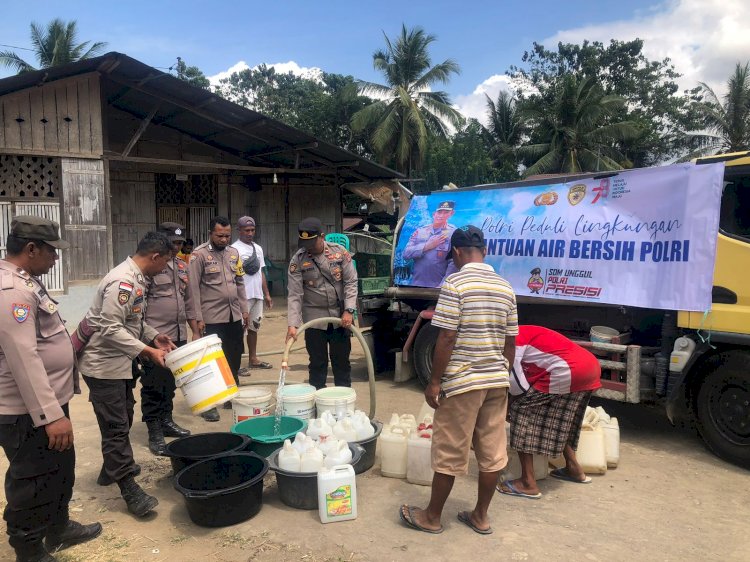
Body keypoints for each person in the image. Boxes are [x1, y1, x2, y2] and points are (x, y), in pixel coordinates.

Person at [399, 225, 517, 535]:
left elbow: (447, 336)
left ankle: (432, 517)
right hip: (496, 380)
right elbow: (511, 341)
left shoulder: (455, 283)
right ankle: (480, 516)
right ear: (486, 251)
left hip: (464, 381)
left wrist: (435, 381)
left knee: (450, 450)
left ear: (455, 252)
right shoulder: (506, 287)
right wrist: (503, 374)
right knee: (492, 451)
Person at [0, 216, 102, 562]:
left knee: (60, 470)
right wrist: (49, 416)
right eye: (51, 252)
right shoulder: (12, 290)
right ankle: (29, 550)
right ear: (30, 249)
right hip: (27, 412)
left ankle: (58, 528)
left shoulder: (27, 281)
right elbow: (24, 359)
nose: (55, 259)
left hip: (49, 406)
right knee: (32, 481)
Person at [78, 232, 175, 518]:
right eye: (165, 262)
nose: (165, 269)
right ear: (155, 257)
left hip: (120, 363)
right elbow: (109, 328)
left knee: (123, 416)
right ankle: (129, 488)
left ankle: (111, 469)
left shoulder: (138, 279)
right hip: (103, 365)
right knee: (116, 426)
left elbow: (132, 321)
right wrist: (147, 351)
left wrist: (154, 336)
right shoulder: (123, 281)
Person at [499, 325, 602, 499]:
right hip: (589, 366)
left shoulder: (510, 341)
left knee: (520, 410)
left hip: (569, 370)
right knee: (562, 417)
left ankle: (527, 482)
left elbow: (516, 383)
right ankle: (574, 468)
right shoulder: (523, 331)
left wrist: (507, 407)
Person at [139, 223, 197, 456]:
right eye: (172, 243)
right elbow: (139, 306)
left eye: (180, 243)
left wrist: (195, 327)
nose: (176, 247)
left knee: (170, 383)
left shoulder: (183, 266)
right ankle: (154, 430)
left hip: (177, 334)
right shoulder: (150, 267)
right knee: (153, 384)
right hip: (155, 336)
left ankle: (167, 420)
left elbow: (190, 300)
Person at [188, 216, 248, 422]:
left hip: (233, 315)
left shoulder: (234, 253)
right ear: (210, 234)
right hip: (211, 317)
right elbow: (193, 289)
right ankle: (210, 404)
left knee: (234, 355)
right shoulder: (199, 255)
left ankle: (231, 394)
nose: (224, 239)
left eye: (227, 236)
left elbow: (239, 282)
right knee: (211, 362)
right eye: (220, 235)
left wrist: (245, 310)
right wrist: (197, 319)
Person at [286, 217, 358, 389]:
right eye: (304, 242)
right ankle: (318, 408)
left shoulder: (339, 253)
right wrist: (293, 324)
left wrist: (349, 310)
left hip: (340, 317)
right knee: (317, 364)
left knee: (341, 364)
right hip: (314, 320)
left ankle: (343, 406)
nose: (308, 246)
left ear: (322, 236)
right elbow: (295, 294)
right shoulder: (298, 260)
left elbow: (351, 282)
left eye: (312, 241)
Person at [231, 216, 273, 371]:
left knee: (254, 327)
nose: (250, 233)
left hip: (257, 296)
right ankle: (235, 363)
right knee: (240, 330)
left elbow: (261, 272)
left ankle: (253, 359)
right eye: (246, 230)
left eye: (252, 230)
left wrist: (266, 294)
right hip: (242, 297)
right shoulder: (234, 249)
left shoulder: (258, 248)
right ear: (239, 230)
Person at [402, 200, 457, 287]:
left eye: (446, 212)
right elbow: (406, 254)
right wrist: (426, 246)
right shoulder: (420, 231)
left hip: (438, 288)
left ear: (451, 214)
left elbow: (453, 263)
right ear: (434, 214)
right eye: (439, 212)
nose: (441, 215)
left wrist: (443, 285)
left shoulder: (453, 233)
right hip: (415, 286)